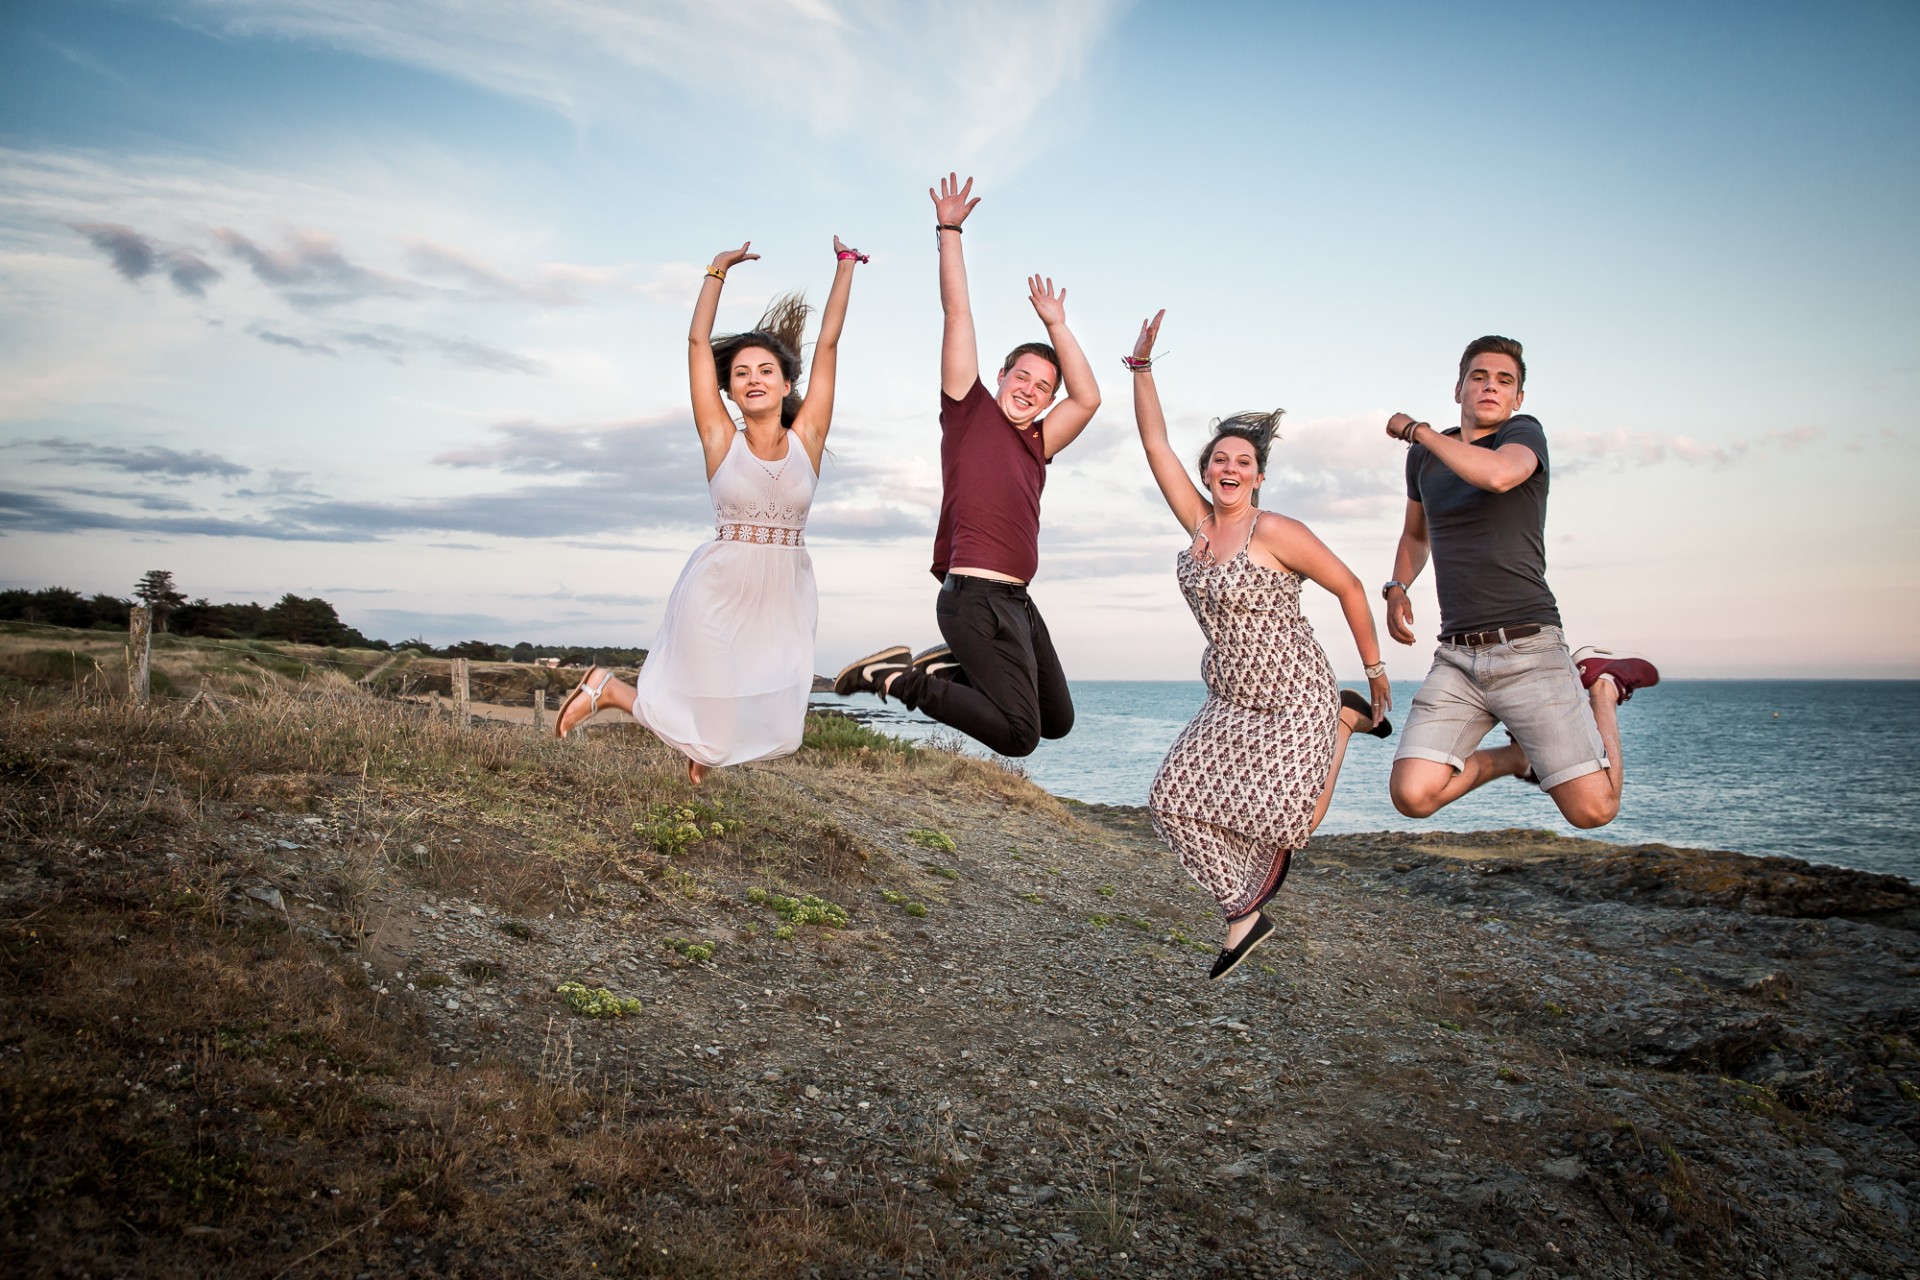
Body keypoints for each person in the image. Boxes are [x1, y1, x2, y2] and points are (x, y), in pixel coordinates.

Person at [1127, 310, 1393, 979]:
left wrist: (1376, 669)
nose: (1229, 468)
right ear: (1208, 470)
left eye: (1242, 461)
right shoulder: (1196, 523)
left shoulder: (1273, 531)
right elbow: (1155, 443)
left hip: (1295, 691)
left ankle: (1340, 721)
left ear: (1258, 476)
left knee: (1289, 827)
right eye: (1219, 459)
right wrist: (1142, 370)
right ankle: (1243, 915)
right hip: (1230, 695)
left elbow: (1352, 586)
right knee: (1171, 799)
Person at [554, 236, 865, 784]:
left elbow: (831, 345)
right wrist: (715, 273)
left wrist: (845, 268)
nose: (753, 379)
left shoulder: (808, 438)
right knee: (718, 720)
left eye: (765, 370)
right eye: (741, 373)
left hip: (784, 590)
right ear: (730, 389)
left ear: (786, 383)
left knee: (781, 728)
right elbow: (698, 342)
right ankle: (609, 690)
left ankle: (700, 747)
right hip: (718, 587)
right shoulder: (721, 439)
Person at [832, 174, 1100, 758]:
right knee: (1019, 736)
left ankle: (949, 671)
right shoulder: (968, 409)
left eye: (1043, 386)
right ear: (1001, 377)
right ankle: (896, 679)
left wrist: (1058, 324)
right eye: (1022, 376)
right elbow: (957, 314)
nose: (1030, 389)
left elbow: (1089, 399)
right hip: (972, 598)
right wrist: (949, 231)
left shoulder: (1038, 440)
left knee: (1056, 720)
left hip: (1016, 602)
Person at [1382, 334, 1657, 828]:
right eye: (1479, 377)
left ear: (1517, 399)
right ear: (1459, 388)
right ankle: (1516, 759)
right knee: (1412, 795)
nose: (1491, 387)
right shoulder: (1425, 458)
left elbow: (1499, 477)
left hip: (1529, 648)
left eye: (1504, 381)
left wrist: (1418, 430)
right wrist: (1397, 587)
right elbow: (1415, 536)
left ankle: (1603, 687)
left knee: (1594, 811)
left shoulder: (1523, 434)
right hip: (1458, 657)